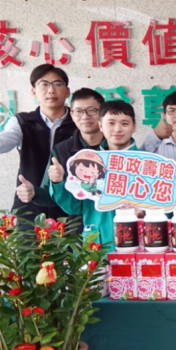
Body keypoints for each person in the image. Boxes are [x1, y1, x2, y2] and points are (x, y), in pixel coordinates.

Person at [0, 64, 77, 222]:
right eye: (44, 84)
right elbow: (9, 136)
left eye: (57, 84)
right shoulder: (23, 121)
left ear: (67, 91)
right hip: (29, 202)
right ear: (33, 91)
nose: (51, 90)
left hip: (70, 204)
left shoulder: (79, 123)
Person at [48, 100, 140, 248]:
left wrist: (144, 212)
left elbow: (165, 208)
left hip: (136, 246)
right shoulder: (88, 164)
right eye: (111, 123)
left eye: (124, 123)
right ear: (100, 126)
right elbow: (74, 207)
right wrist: (58, 182)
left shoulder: (149, 165)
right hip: (95, 244)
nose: (117, 129)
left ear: (134, 126)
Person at [38, 88, 106, 229]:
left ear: (102, 113)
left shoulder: (117, 146)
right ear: (72, 115)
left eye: (91, 110)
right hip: (78, 230)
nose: (85, 116)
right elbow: (49, 194)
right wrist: (37, 191)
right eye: (78, 111)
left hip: (115, 225)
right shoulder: (61, 151)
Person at [141, 91, 176, 212]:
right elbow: (137, 167)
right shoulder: (155, 146)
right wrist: (155, 135)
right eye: (171, 111)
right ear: (164, 116)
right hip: (164, 216)